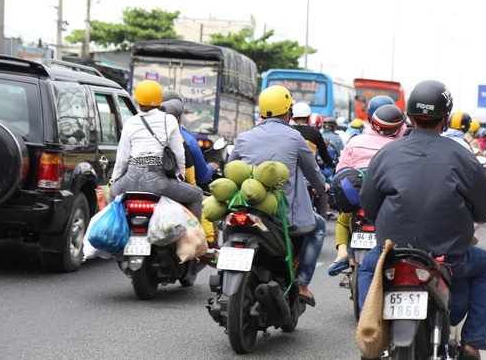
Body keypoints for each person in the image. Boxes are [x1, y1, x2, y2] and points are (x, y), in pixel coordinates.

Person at [357, 80, 486, 360]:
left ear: (409, 117)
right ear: (445, 120)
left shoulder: (387, 153)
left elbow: (369, 207)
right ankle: (472, 343)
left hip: (393, 254)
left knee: (366, 267)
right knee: (485, 267)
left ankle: (369, 335)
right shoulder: (464, 156)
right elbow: (484, 211)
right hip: (449, 258)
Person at [228, 85, 328, 305]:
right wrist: (322, 188)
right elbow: (313, 173)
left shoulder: (244, 137)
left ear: (262, 112)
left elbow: (230, 169)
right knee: (319, 228)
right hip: (284, 216)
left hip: (248, 207)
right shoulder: (295, 138)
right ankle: (301, 284)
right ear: (288, 111)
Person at [327, 100, 405, 276]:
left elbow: (341, 172)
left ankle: (343, 254)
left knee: (344, 219)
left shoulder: (355, 141)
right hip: (389, 196)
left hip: (360, 194)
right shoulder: (401, 145)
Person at [109, 81, 204, 220]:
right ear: (160, 100)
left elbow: (122, 158)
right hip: (159, 182)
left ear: (138, 101)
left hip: (130, 179)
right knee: (197, 195)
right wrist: (180, 176)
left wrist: (115, 179)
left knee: (112, 193)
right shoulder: (170, 120)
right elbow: (179, 154)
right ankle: (192, 236)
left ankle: (115, 228)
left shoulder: (130, 122)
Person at [160, 94, 218, 249]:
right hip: (169, 187)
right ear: (179, 119)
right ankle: (197, 238)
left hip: (136, 185)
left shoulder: (139, 128)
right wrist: (211, 169)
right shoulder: (184, 139)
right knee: (198, 195)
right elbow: (195, 175)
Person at [291, 102, 335, 220]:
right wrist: (331, 164)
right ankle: (322, 219)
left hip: (289, 174)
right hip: (309, 174)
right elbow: (325, 154)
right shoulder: (314, 132)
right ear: (308, 117)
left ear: (292, 116)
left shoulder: (288, 130)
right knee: (323, 189)